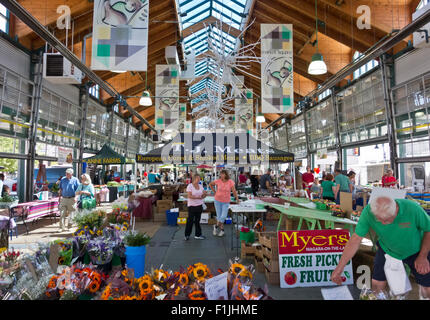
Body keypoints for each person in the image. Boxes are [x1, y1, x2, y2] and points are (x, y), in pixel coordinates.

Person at [331, 196, 430, 300]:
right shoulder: (368, 212)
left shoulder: (412, 209)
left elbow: (429, 229)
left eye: (386, 220)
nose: (383, 223)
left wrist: (423, 257)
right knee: (377, 284)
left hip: (416, 250)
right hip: (387, 248)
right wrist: (340, 267)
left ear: (395, 210)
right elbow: (355, 240)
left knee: (427, 287)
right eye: (379, 220)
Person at [209, 170, 239, 237]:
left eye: (222, 174)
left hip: (226, 201)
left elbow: (234, 191)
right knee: (219, 216)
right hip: (217, 201)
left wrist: (237, 199)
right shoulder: (218, 181)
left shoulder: (230, 182)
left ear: (226, 174)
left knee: (223, 216)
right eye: (220, 174)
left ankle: (216, 226)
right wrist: (214, 191)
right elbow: (210, 184)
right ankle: (222, 230)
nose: (221, 175)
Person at [185, 174, 207, 241]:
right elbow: (189, 196)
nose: (199, 179)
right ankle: (187, 235)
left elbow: (204, 194)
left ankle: (197, 234)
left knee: (197, 221)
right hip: (192, 206)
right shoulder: (190, 186)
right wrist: (197, 197)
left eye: (199, 178)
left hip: (199, 205)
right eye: (198, 178)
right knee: (190, 221)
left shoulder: (200, 186)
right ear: (194, 179)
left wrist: (204, 194)